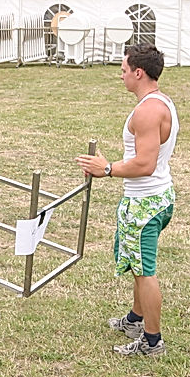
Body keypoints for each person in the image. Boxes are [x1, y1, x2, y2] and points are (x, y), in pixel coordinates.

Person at [76, 43, 179, 357]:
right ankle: (135, 319)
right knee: (137, 265)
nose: (120, 76)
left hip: (145, 204)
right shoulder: (160, 102)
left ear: (139, 72)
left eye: (123, 71)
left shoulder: (148, 110)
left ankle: (151, 341)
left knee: (145, 271)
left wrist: (105, 169)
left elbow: (144, 164)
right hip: (152, 199)